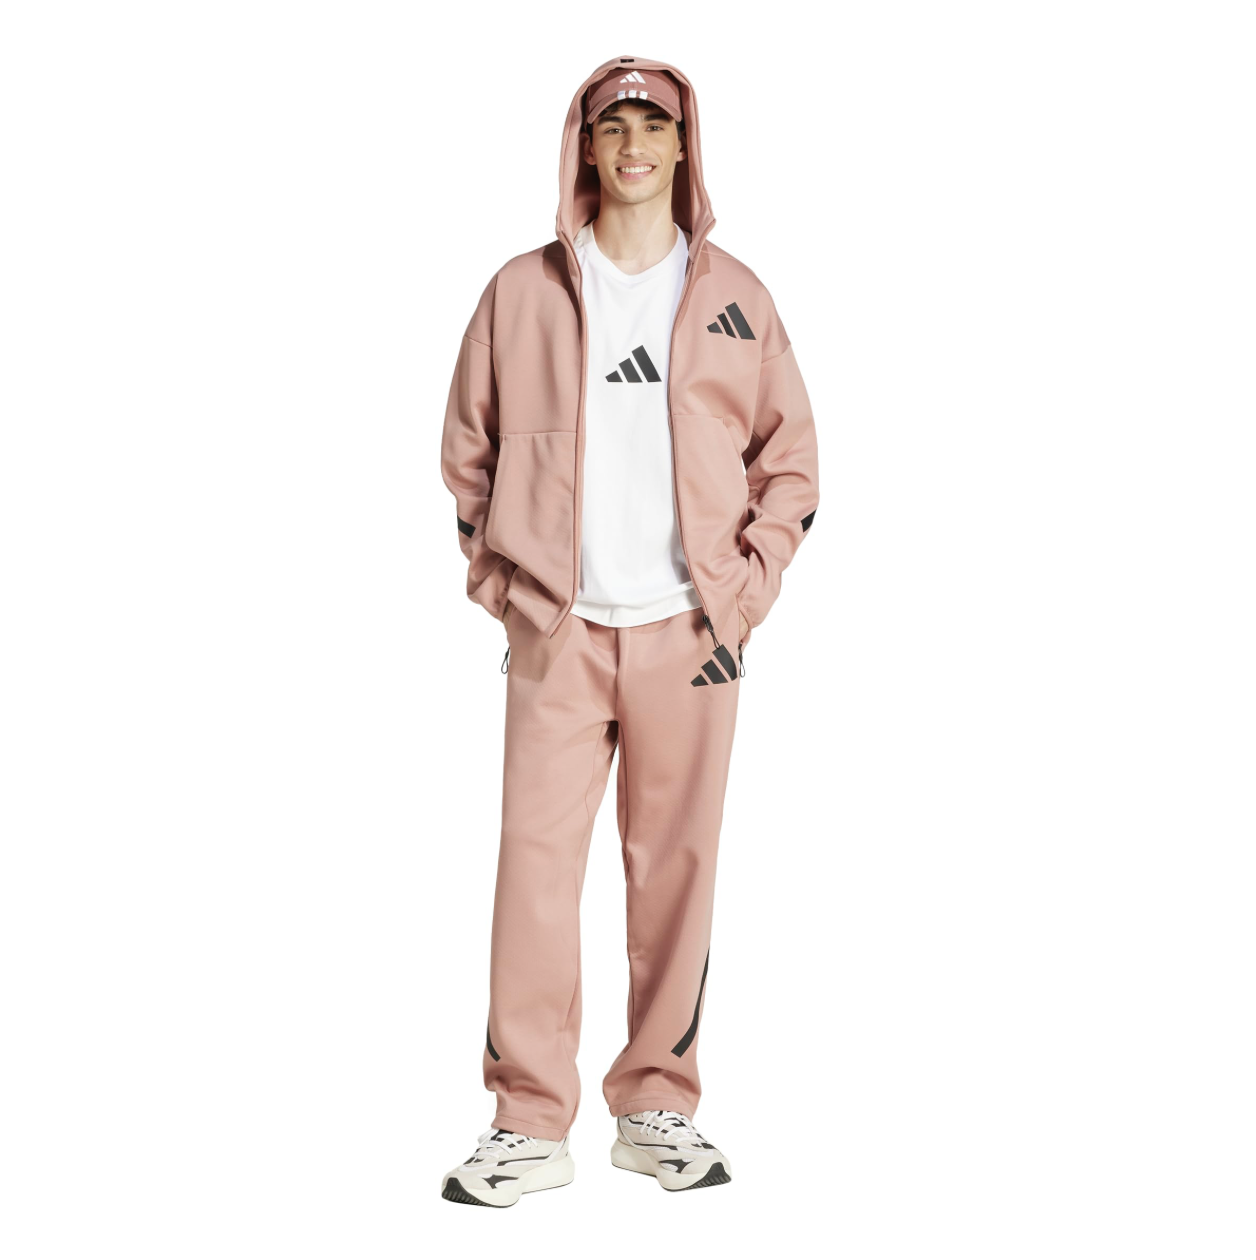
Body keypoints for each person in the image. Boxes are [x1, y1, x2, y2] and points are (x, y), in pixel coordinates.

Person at [438, 55, 820, 1207]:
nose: (635, 145)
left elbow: (790, 462)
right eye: (614, 128)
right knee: (533, 874)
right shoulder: (519, 293)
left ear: (682, 145)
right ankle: (526, 1121)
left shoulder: (735, 296)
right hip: (555, 633)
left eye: (654, 126)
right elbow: (466, 452)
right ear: (586, 146)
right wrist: (505, 587)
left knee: (675, 877)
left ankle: (656, 1104)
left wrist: (741, 596)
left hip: (689, 638)